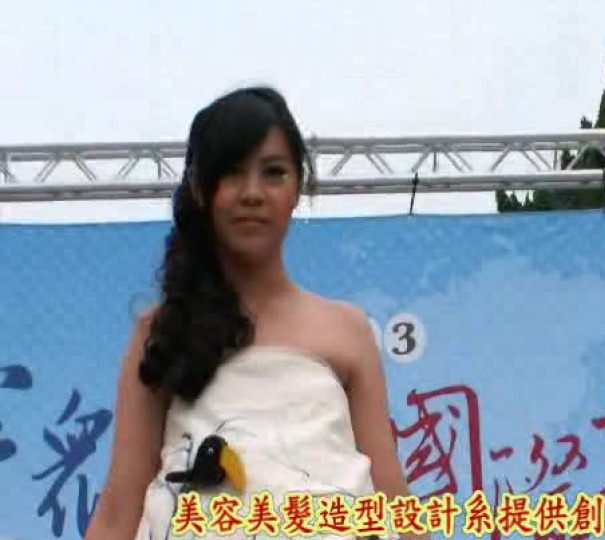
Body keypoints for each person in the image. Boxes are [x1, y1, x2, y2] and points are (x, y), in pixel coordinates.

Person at [83, 87, 428, 540]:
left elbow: (392, 496)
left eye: (273, 173)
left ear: (298, 187)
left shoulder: (347, 329)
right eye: (231, 172)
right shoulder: (163, 329)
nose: (252, 193)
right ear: (199, 189)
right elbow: (118, 510)